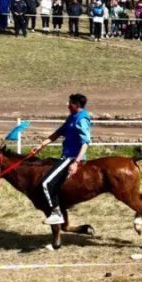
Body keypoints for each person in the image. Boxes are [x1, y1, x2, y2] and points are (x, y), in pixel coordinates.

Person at [37, 93, 92, 225]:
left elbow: (85, 142)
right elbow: (58, 133)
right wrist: (41, 145)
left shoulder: (81, 119)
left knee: (46, 183)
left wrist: (76, 162)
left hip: (71, 157)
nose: (67, 105)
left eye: (70, 103)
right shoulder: (71, 118)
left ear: (76, 105)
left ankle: (56, 213)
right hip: (66, 156)